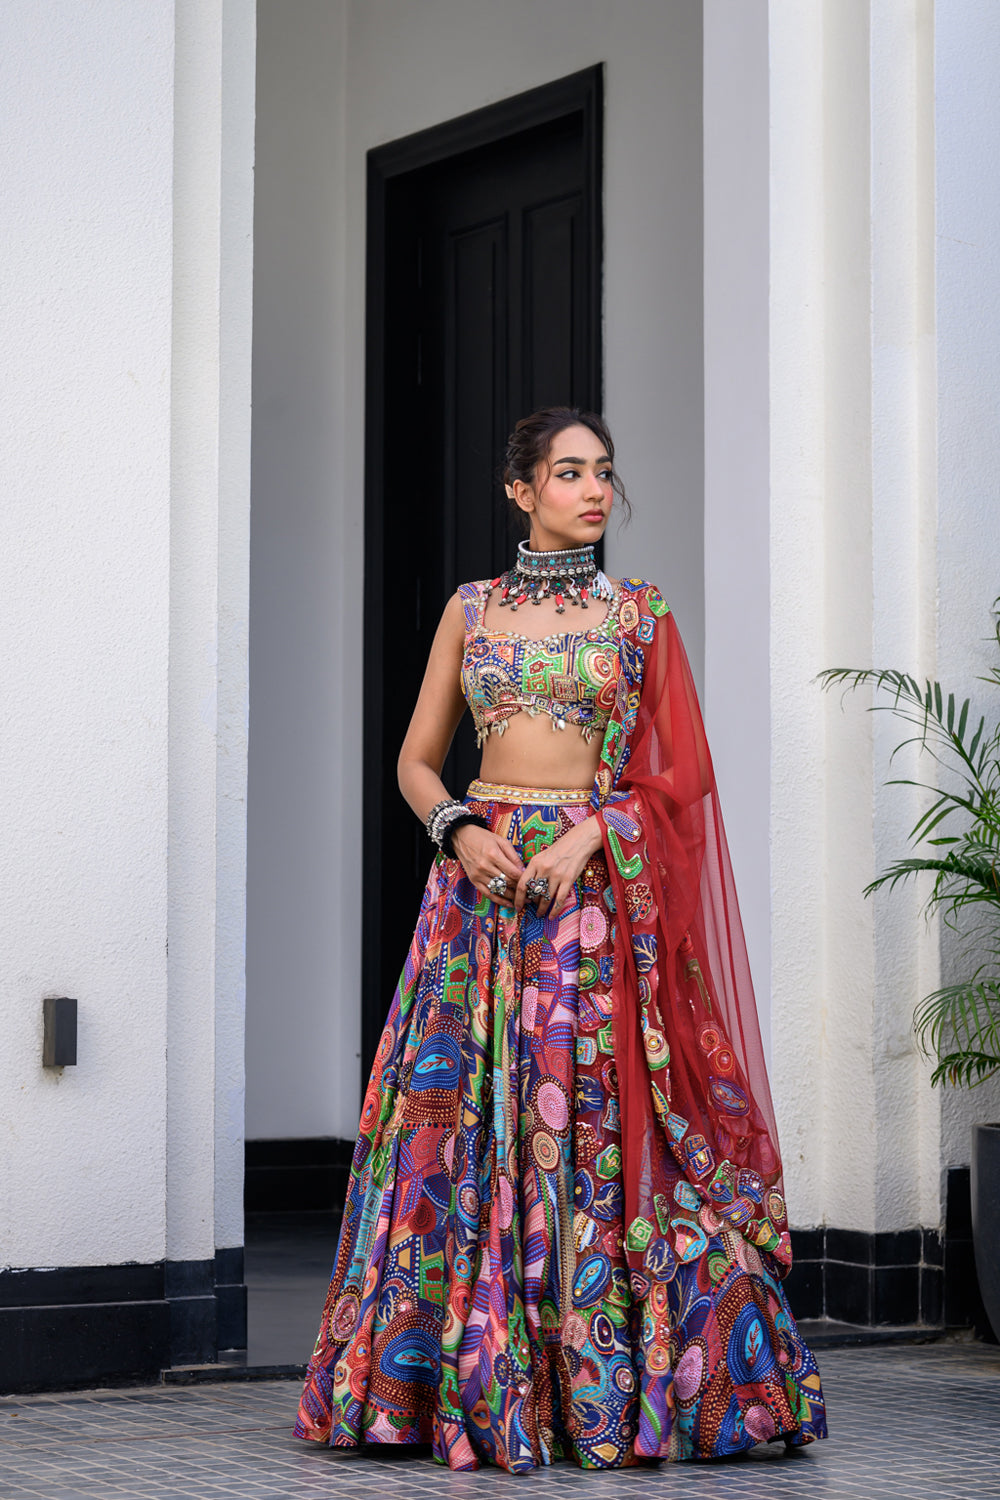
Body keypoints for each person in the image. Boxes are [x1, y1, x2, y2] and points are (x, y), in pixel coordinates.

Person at [295, 407, 827, 1472]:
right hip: (478, 898)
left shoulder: (637, 613)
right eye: (571, 472)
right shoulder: (471, 608)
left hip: (589, 899)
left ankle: (615, 1385)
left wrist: (592, 833)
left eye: (603, 473)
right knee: (459, 1125)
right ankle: (436, 1383)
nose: (594, 491)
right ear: (521, 490)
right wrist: (458, 831)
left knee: (588, 1118)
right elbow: (415, 760)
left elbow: (684, 772)